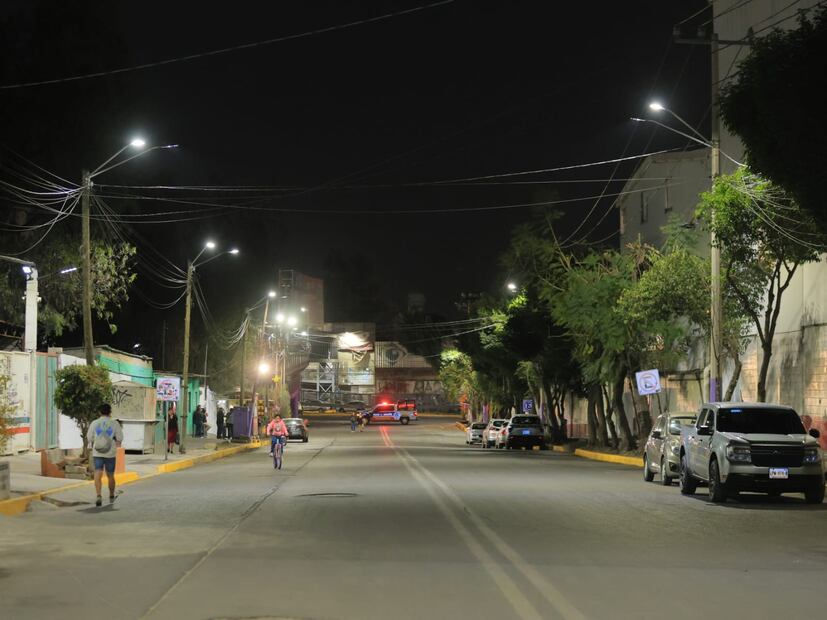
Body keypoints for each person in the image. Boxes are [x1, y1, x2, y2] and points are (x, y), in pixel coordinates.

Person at [87, 403, 123, 507]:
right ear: (110, 412)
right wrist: (115, 442)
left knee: (98, 472)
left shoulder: (95, 423)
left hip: (97, 452)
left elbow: (89, 437)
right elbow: (120, 437)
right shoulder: (114, 423)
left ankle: (98, 495)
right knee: (110, 475)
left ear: (99, 412)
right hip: (110, 453)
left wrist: (96, 441)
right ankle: (111, 495)